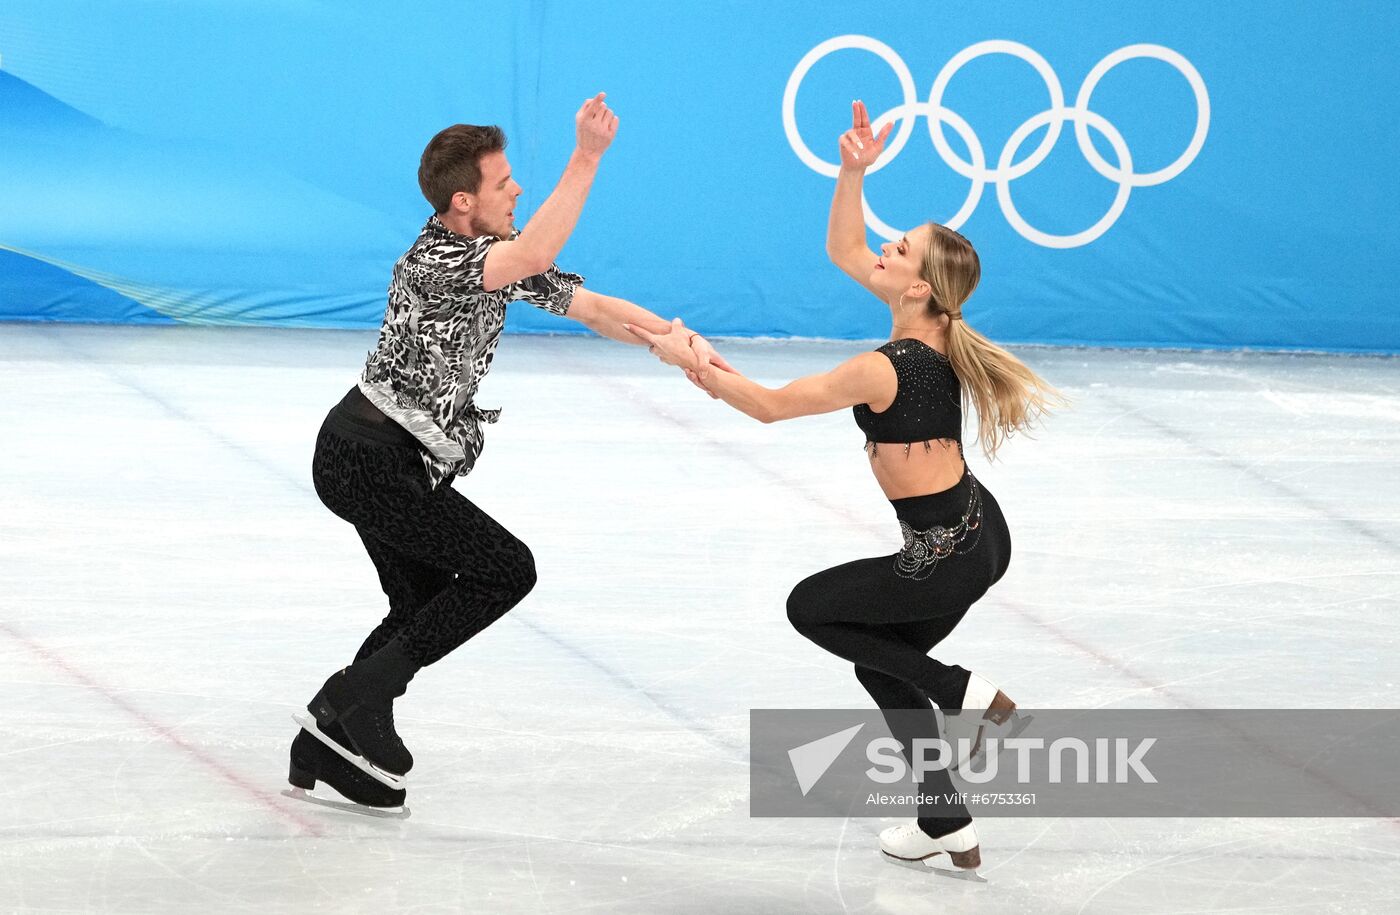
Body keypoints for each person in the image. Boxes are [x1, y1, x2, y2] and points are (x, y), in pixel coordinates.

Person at [629, 100, 1060, 875]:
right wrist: (853, 168)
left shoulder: (882, 366)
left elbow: (765, 407)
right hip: (979, 535)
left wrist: (692, 362)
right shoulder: (924, 329)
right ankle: (944, 817)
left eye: (897, 249)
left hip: (947, 550)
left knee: (811, 607)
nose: (881, 251)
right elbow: (841, 245)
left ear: (921, 288)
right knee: (875, 659)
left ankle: (959, 689)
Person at [287, 93, 730, 813]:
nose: (517, 188)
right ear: (464, 201)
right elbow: (537, 253)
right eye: (504, 181)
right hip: (364, 457)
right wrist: (586, 156)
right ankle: (355, 696)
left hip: (384, 459)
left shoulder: (488, 258)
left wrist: (674, 342)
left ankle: (327, 735)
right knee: (504, 569)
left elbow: (591, 307)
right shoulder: (441, 261)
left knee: (420, 598)